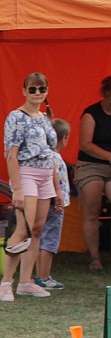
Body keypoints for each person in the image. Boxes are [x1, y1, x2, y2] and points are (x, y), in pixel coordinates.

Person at [0, 72, 56, 301]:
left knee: (38, 229)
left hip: (45, 174)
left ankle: (26, 282)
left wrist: (56, 186)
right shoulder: (16, 116)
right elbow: (10, 154)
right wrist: (18, 189)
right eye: (32, 89)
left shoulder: (43, 117)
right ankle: (5, 283)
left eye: (42, 89)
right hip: (27, 172)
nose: (37, 93)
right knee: (23, 228)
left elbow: (51, 153)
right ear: (24, 91)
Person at [75, 76, 111, 272]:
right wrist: (109, 156)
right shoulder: (91, 114)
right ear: (106, 94)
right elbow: (85, 144)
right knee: (92, 209)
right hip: (91, 165)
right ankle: (95, 257)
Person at [36, 119, 71, 290]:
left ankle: (38, 275)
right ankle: (44, 276)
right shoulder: (55, 158)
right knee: (50, 241)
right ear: (64, 138)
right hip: (54, 205)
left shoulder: (43, 157)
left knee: (39, 238)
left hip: (42, 203)